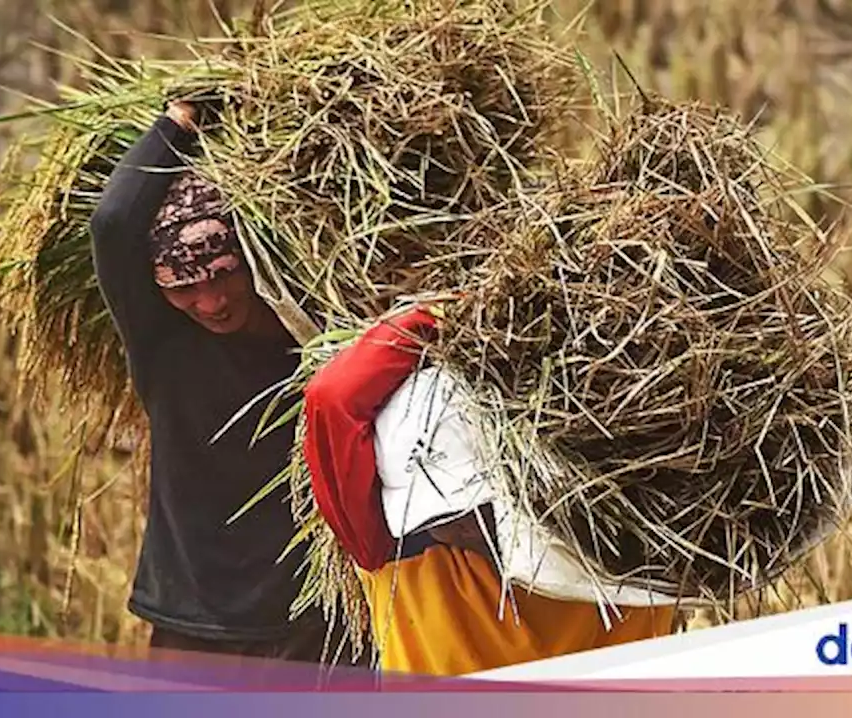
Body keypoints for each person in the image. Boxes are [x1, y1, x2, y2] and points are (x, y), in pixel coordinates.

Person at [301, 303, 680, 676]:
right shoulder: (390, 548)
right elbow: (331, 397)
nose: (444, 530)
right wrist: (449, 316)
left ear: (514, 482)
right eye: (431, 516)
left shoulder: (624, 535)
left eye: (465, 512)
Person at [90, 99, 341, 662]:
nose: (210, 303)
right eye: (183, 288)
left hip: (311, 617)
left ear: (249, 258)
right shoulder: (163, 345)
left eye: (223, 275)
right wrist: (179, 121)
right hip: (193, 617)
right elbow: (112, 223)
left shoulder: (318, 337)